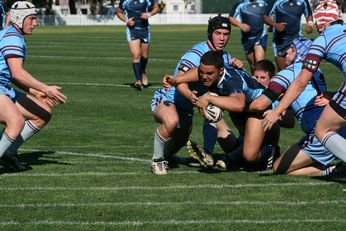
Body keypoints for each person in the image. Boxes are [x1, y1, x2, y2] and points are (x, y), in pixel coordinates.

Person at [150, 15, 243, 175]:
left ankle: (202, 154)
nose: (222, 38)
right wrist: (190, 96)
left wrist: (238, 66)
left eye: (225, 34)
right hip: (168, 99)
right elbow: (179, 82)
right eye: (218, 33)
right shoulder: (195, 54)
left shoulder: (225, 57)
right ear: (210, 33)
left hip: (189, 107)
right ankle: (157, 160)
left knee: (223, 140)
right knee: (172, 121)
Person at [261, 2, 346, 163]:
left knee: (322, 130)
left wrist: (277, 111)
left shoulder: (322, 40)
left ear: (320, 22)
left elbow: (301, 82)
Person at [167, 50, 279, 171]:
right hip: (242, 106)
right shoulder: (211, 70)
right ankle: (208, 153)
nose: (204, 76)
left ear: (220, 71)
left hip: (258, 109)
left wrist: (208, 97)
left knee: (249, 156)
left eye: (209, 73)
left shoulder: (232, 81)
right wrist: (176, 80)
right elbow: (196, 72)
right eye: (202, 72)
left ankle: (270, 150)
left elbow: (239, 105)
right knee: (211, 112)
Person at [249, 38, 346, 175]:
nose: (287, 52)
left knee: (279, 167)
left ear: (301, 53)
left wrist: (238, 105)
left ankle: (334, 171)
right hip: (338, 125)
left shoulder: (290, 72)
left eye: (292, 49)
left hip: (319, 132)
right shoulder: (317, 71)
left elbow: (261, 104)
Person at [0, 1, 67, 171]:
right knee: (15, 122)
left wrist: (35, 92)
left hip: (3, 88)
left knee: (42, 113)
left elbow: (10, 74)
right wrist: (45, 88)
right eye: (31, 19)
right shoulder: (12, 37)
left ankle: (8, 152)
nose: (35, 23)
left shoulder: (12, 34)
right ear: (20, 18)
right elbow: (17, 73)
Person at [117, 0, 159, 90]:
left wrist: (148, 14)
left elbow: (156, 8)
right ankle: (138, 81)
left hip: (145, 30)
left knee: (144, 56)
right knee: (136, 55)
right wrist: (126, 20)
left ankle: (143, 71)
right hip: (132, 30)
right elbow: (119, 12)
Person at [262, 0, 314, 71]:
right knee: (282, 71)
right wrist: (275, 25)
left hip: (297, 41)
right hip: (280, 42)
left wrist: (310, 24)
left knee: (298, 70)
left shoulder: (303, 1)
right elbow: (264, 16)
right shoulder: (275, 1)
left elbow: (309, 15)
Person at [229, 0, 268, 73]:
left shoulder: (263, 2)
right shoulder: (240, 3)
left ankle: (261, 83)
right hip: (247, 38)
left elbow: (269, 14)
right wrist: (240, 25)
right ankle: (254, 82)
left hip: (261, 35)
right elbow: (231, 18)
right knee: (253, 65)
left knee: (259, 64)